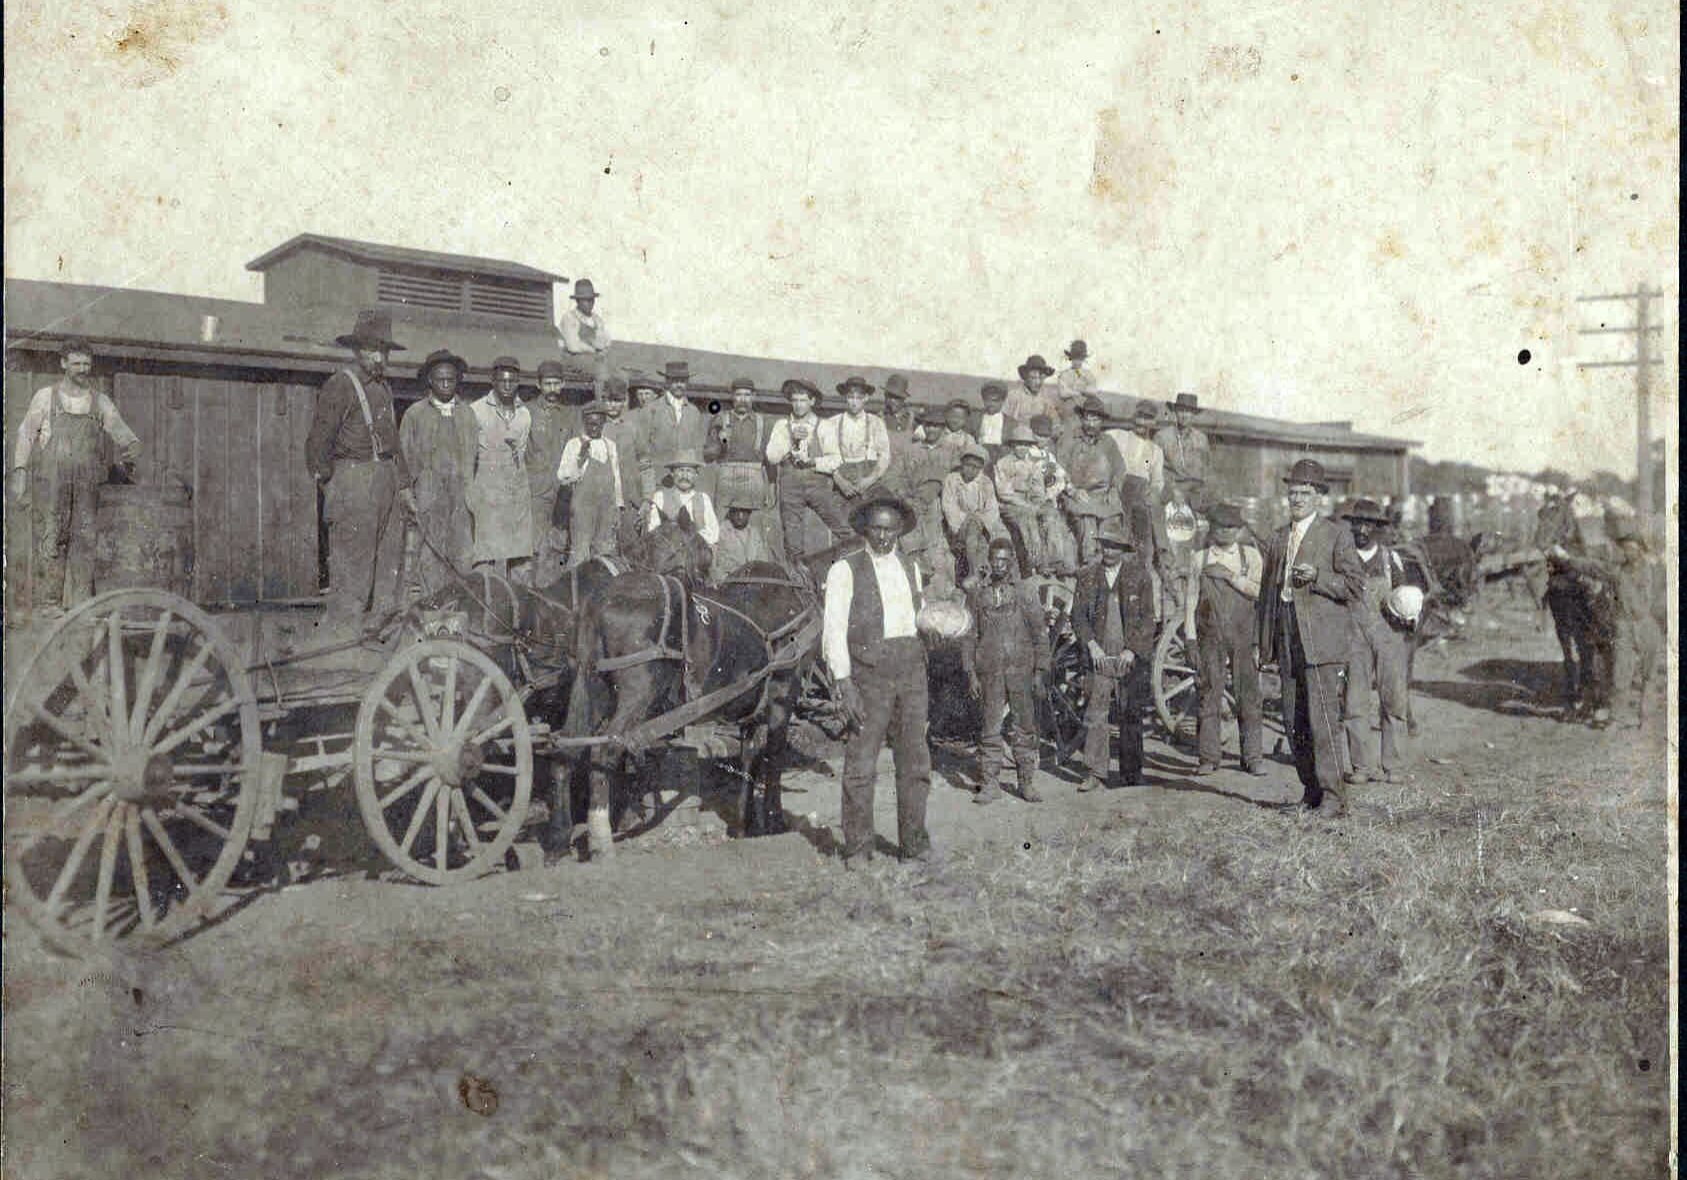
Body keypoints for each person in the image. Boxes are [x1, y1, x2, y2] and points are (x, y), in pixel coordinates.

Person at [822, 496, 932, 865]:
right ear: (865, 530)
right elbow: (834, 632)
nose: (884, 536)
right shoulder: (845, 570)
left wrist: (938, 625)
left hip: (912, 673)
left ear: (901, 530)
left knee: (915, 763)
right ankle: (858, 847)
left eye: (891, 529)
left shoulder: (912, 567)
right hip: (870, 677)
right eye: (877, 528)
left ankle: (914, 844)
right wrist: (845, 683)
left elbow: (917, 621)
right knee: (861, 764)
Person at [1256, 459, 1367, 817]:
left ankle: (1334, 798)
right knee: (1293, 721)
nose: (1297, 498)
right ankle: (1311, 793)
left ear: (1319, 497)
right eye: (1293, 492)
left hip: (1321, 640)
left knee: (1322, 722)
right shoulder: (1277, 537)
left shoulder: (1336, 535)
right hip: (1287, 634)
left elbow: (1355, 586)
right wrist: (1266, 642)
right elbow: (1266, 596)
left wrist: (1319, 576)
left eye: (1306, 493)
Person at [11, 337, 143, 614]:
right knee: (51, 538)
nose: (83, 369)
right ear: (63, 364)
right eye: (76, 364)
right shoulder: (45, 397)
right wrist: (19, 471)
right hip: (52, 484)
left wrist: (131, 452)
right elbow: (25, 435)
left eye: (87, 364)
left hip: (87, 486)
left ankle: (83, 606)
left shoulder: (101, 402)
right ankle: (49, 605)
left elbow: (126, 437)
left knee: (85, 541)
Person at [305, 310, 417, 633]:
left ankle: (376, 641)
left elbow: (394, 444)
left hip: (386, 480)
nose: (378, 357)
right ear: (357, 350)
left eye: (383, 351)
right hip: (354, 479)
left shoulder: (384, 389)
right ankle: (342, 644)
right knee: (352, 573)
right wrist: (334, 484)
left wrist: (405, 486)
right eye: (371, 349)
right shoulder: (340, 385)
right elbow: (317, 443)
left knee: (387, 570)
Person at [961, 537, 1052, 804]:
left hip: (1021, 672)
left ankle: (1026, 783)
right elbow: (969, 636)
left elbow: (1039, 635)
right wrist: (971, 673)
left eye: (1004, 559)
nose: (999, 565)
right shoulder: (977, 596)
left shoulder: (1025, 593)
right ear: (988, 562)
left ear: (1011, 561)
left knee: (1024, 728)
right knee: (990, 728)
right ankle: (990, 785)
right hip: (990, 673)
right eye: (995, 559)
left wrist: (1039, 671)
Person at [1070, 517, 1155, 792]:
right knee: (1096, 712)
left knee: (1130, 712)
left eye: (1115, 546)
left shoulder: (1139, 576)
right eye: (1105, 545)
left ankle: (1131, 774)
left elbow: (1147, 619)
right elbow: (1078, 617)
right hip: (1100, 655)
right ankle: (1095, 772)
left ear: (1124, 549)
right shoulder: (1087, 576)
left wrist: (1132, 649)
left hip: (1128, 655)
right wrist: (1091, 645)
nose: (1109, 551)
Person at [1185, 503, 1265, 775]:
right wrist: (1190, 639)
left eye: (1233, 527)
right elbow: (1191, 601)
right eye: (1222, 526)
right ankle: (1208, 758)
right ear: (1212, 528)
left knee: (1248, 694)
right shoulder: (1200, 558)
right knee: (1209, 692)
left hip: (1243, 635)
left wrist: (1231, 577)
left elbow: (1259, 592)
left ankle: (1253, 757)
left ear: (1240, 529)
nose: (1227, 532)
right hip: (1211, 634)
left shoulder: (1250, 556)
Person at [1339, 499, 1413, 785]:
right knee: (1354, 702)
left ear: (1378, 529)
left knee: (1393, 699)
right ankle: (1360, 767)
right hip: (1353, 636)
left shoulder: (1389, 558)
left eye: (1368, 525)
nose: (1362, 530)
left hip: (1388, 636)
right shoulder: (1342, 557)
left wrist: (1409, 618)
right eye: (1357, 523)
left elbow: (1405, 597)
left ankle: (1393, 766)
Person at [398, 348, 474, 598]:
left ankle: (458, 610)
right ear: (430, 380)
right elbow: (403, 457)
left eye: (450, 379)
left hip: (462, 498)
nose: (445, 384)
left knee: (462, 555)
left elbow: (477, 457)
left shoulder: (467, 413)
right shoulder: (415, 414)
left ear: (457, 380)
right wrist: (408, 492)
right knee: (431, 554)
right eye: (440, 379)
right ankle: (432, 610)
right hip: (429, 496)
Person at [464, 356, 534, 578]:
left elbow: (522, 454)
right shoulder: (476, 411)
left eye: (512, 381)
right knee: (486, 557)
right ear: (492, 381)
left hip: (516, 494)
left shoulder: (524, 414)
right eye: (502, 380)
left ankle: (519, 607)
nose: (507, 385)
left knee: (521, 558)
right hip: (488, 492)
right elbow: (469, 457)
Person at [766, 377, 851, 558]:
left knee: (843, 529)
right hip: (790, 487)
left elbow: (836, 459)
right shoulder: (782, 426)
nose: (798, 405)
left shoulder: (824, 426)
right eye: (795, 400)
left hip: (817, 485)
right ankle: (798, 580)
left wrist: (813, 462)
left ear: (812, 401)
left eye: (803, 400)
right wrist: (790, 440)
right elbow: (772, 458)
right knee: (792, 540)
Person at [523, 360, 580, 586]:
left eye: (557, 383)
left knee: (557, 545)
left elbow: (576, 451)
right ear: (539, 385)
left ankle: (550, 595)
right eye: (548, 384)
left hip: (562, 493)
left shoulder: (570, 415)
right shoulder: (526, 412)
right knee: (532, 547)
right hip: (533, 491)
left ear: (563, 384)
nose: (553, 389)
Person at [1054, 395, 1123, 565]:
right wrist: (1072, 490)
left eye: (1096, 419)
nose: (1091, 424)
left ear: (1102, 421)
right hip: (1077, 495)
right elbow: (1058, 470)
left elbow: (1120, 470)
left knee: (1112, 522)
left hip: (1103, 496)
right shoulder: (1069, 440)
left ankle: (1110, 566)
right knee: (1087, 522)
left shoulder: (1108, 443)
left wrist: (1114, 489)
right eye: (1088, 418)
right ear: (1082, 418)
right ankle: (1090, 564)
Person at [554, 400, 623, 567]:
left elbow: (616, 477)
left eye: (598, 424)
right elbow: (563, 476)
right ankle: (576, 590)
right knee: (580, 554)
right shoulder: (574, 444)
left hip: (606, 508)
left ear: (604, 423)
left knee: (605, 554)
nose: (594, 428)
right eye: (591, 424)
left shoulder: (610, 445)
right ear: (584, 422)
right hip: (583, 509)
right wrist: (580, 457)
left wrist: (618, 506)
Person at [994, 419, 1066, 576]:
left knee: (1050, 515)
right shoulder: (1003, 464)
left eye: (1026, 444)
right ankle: (1036, 561)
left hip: (1029, 502)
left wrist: (1040, 502)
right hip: (1010, 505)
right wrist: (1026, 504)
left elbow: (1037, 488)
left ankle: (1055, 560)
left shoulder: (1032, 465)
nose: (1022, 448)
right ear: (1012, 445)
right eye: (1018, 444)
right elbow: (1004, 492)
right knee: (1027, 518)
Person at [815, 375, 892, 509]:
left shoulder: (876, 423)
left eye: (859, 397)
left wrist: (870, 480)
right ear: (845, 397)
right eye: (851, 397)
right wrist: (839, 481)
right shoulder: (832, 423)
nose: (854, 402)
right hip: (842, 484)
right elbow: (824, 457)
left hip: (870, 483)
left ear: (866, 398)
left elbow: (884, 456)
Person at [941, 441, 1008, 587]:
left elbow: (992, 508)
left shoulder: (985, 482)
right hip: (959, 527)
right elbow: (949, 506)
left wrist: (981, 521)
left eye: (976, 467)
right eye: (968, 465)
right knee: (972, 530)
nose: (971, 470)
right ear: (962, 463)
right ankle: (975, 572)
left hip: (981, 525)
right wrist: (966, 520)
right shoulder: (952, 480)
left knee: (988, 539)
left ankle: (988, 577)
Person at [636, 362, 708, 496]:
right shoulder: (651, 409)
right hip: (658, 480)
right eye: (675, 381)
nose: (679, 385)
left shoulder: (694, 412)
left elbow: (698, 449)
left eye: (682, 381)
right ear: (667, 381)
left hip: (685, 482)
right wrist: (648, 483)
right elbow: (642, 450)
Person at [705, 376, 773, 518]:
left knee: (755, 524)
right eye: (739, 394)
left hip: (754, 477)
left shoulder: (763, 422)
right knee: (721, 522)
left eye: (747, 395)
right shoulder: (719, 419)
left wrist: (772, 487)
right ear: (732, 396)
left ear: (753, 397)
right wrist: (721, 441)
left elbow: (770, 460)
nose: (743, 399)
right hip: (726, 476)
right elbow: (708, 456)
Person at [598, 376, 646, 551]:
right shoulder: (596, 426)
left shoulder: (633, 428)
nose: (612, 405)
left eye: (617, 401)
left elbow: (645, 464)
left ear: (625, 401)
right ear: (602, 400)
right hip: (603, 500)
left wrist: (646, 499)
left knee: (630, 549)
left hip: (630, 501)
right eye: (608, 400)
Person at [647, 450, 720, 549]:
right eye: (681, 470)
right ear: (672, 473)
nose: (685, 476)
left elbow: (713, 534)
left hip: (696, 552)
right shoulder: (660, 497)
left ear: (696, 475)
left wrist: (691, 540)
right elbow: (653, 529)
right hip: (670, 553)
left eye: (689, 471)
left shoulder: (703, 498)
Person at [1154, 392, 1211, 497]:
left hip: (1196, 492)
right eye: (1181, 410)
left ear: (1193, 413)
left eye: (1188, 411)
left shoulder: (1202, 439)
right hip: (1171, 491)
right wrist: (1172, 491)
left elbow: (1205, 470)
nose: (1184, 415)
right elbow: (1155, 473)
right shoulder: (1162, 437)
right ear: (1175, 412)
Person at [558, 278, 612, 388]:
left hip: (595, 358)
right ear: (578, 301)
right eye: (586, 300)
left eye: (591, 300)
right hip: (574, 359)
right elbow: (573, 346)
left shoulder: (597, 320)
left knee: (618, 370)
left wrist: (600, 350)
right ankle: (600, 402)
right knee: (601, 371)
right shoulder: (569, 318)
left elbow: (605, 342)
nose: (590, 303)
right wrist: (594, 348)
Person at [711, 491, 774, 584]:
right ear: (731, 512)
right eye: (736, 511)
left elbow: (763, 560)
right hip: (729, 583)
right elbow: (714, 564)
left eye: (744, 512)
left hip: (754, 583)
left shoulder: (754, 534)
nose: (740, 516)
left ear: (749, 513)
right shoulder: (721, 532)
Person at [1108, 404, 1166, 500]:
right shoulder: (1117, 435)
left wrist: (1154, 491)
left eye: (1147, 418)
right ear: (1134, 418)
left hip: (1140, 495)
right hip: (1117, 489)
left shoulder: (1156, 451)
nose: (1142, 422)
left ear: (1153, 422)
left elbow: (1157, 480)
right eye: (1139, 416)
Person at [1053, 339, 1097, 423]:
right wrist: (1081, 392)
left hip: (1086, 409)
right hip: (1069, 409)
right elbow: (1063, 393)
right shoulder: (1064, 374)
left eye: (1080, 358)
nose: (1077, 361)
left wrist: (1073, 392)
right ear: (1071, 358)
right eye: (1075, 358)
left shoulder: (1088, 374)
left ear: (1083, 359)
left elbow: (1093, 391)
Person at [1006, 354, 1055, 421]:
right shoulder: (1014, 396)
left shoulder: (1046, 399)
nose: (1038, 382)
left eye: (1041, 378)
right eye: (1033, 378)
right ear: (1026, 377)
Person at [975, 382, 1010, 454]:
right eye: (987, 400)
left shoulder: (1010, 422)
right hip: (978, 454)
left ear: (1002, 401)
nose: (991, 404)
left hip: (1000, 455)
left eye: (995, 401)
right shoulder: (975, 417)